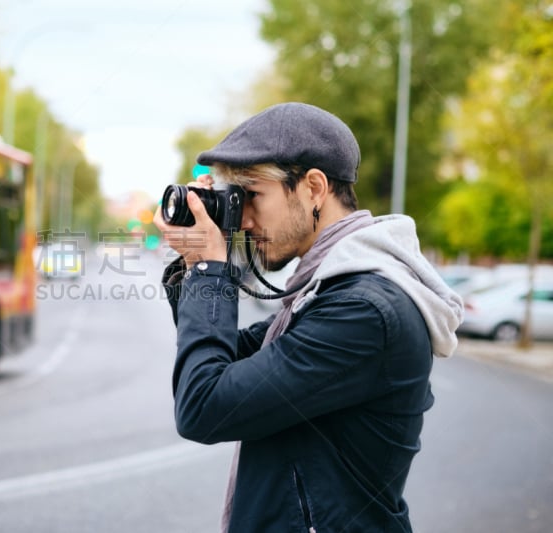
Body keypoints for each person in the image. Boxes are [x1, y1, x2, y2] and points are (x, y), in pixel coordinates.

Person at [153, 102, 464, 532]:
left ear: (313, 188)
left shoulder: (363, 310)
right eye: (236, 198)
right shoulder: (324, 291)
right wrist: (194, 261)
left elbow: (206, 405)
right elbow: (230, 355)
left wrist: (210, 269)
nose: (242, 218)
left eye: (253, 196)